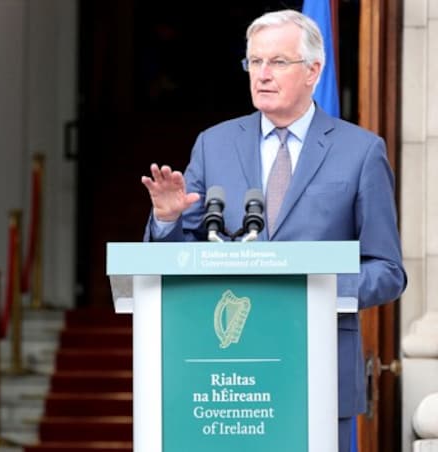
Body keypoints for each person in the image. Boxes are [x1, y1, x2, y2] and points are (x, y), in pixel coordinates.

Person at [140, 9, 406, 452]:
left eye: (278, 62)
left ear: (313, 71)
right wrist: (167, 218)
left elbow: (388, 270)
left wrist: (311, 287)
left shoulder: (360, 152)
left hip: (318, 374)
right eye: (254, 62)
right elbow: (176, 255)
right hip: (226, 377)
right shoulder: (214, 144)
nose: (262, 75)